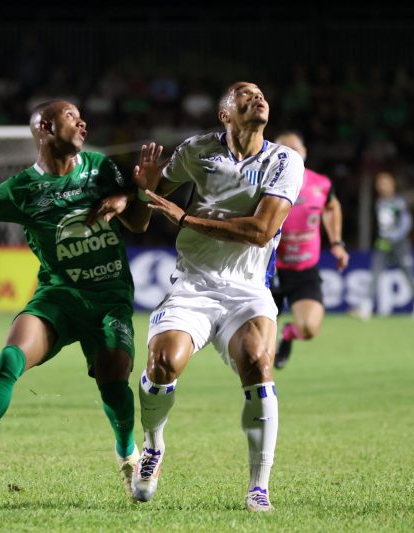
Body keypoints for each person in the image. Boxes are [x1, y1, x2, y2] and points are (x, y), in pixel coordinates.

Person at [0, 100, 152, 499]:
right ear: (46, 127)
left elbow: (140, 221)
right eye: (71, 116)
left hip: (108, 299)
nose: (82, 121)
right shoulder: (21, 190)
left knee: (113, 380)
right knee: (9, 359)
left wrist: (132, 197)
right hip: (58, 297)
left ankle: (128, 453)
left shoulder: (101, 167)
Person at [129, 82, 305, 512]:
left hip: (247, 289)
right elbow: (144, 214)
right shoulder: (196, 150)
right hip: (193, 283)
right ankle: (153, 447)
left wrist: (186, 218)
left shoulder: (285, 160)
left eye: (262, 94)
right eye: (244, 96)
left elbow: (261, 231)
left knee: (259, 363)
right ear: (225, 114)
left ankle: (258, 487)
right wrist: (142, 190)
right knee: (162, 363)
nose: (258, 98)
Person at [271, 131, 349, 369]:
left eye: (296, 148)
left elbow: (332, 207)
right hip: (269, 269)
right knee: (256, 342)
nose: (292, 153)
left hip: (303, 270)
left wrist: (336, 243)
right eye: (284, 149)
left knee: (309, 328)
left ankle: (288, 334)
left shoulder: (321, 184)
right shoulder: (263, 182)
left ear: (304, 153)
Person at [352, 171, 414, 321]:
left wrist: (394, 237)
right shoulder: (379, 202)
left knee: (409, 274)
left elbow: (407, 222)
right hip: (383, 244)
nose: (381, 186)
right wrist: (384, 238)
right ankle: (367, 306)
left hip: (400, 244)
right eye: (379, 184)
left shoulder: (399, 202)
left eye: (384, 183)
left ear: (392, 185)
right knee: (375, 272)